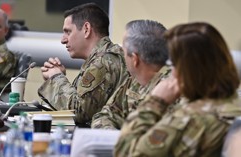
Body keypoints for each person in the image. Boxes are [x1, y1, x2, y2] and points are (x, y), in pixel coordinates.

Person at [114, 22, 241, 157]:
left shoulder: (190, 119)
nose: (172, 72)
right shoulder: (233, 104)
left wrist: (155, 102)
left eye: (173, 64)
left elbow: (124, 152)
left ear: (187, 70)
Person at [38, 3, 128, 126]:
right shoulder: (106, 56)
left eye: (68, 32)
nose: (63, 40)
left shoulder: (102, 62)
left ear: (86, 29)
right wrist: (58, 81)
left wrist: (57, 79)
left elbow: (79, 112)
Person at [91, 19, 170, 129]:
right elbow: (105, 115)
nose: (123, 56)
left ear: (135, 59)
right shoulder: (134, 80)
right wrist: (111, 135)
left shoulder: (172, 89)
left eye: (124, 52)